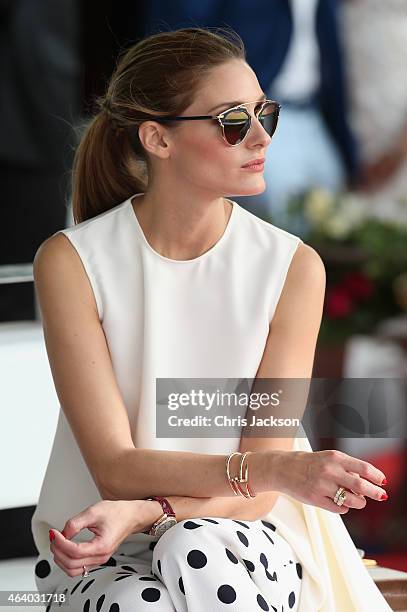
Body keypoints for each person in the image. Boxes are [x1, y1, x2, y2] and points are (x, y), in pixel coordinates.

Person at [31, 27, 391, 611]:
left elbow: (256, 499)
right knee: (137, 602)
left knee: (192, 548)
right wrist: (274, 468)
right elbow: (115, 470)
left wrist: (159, 511)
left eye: (264, 114)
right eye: (231, 121)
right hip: (99, 544)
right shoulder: (72, 262)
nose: (260, 137)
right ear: (157, 138)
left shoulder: (293, 268)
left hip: (248, 536)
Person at [140, 0, 359, 232]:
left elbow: (332, 59)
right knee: (274, 221)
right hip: (241, 111)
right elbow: (175, 43)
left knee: (336, 218)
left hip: (311, 114)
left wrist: (349, 151)